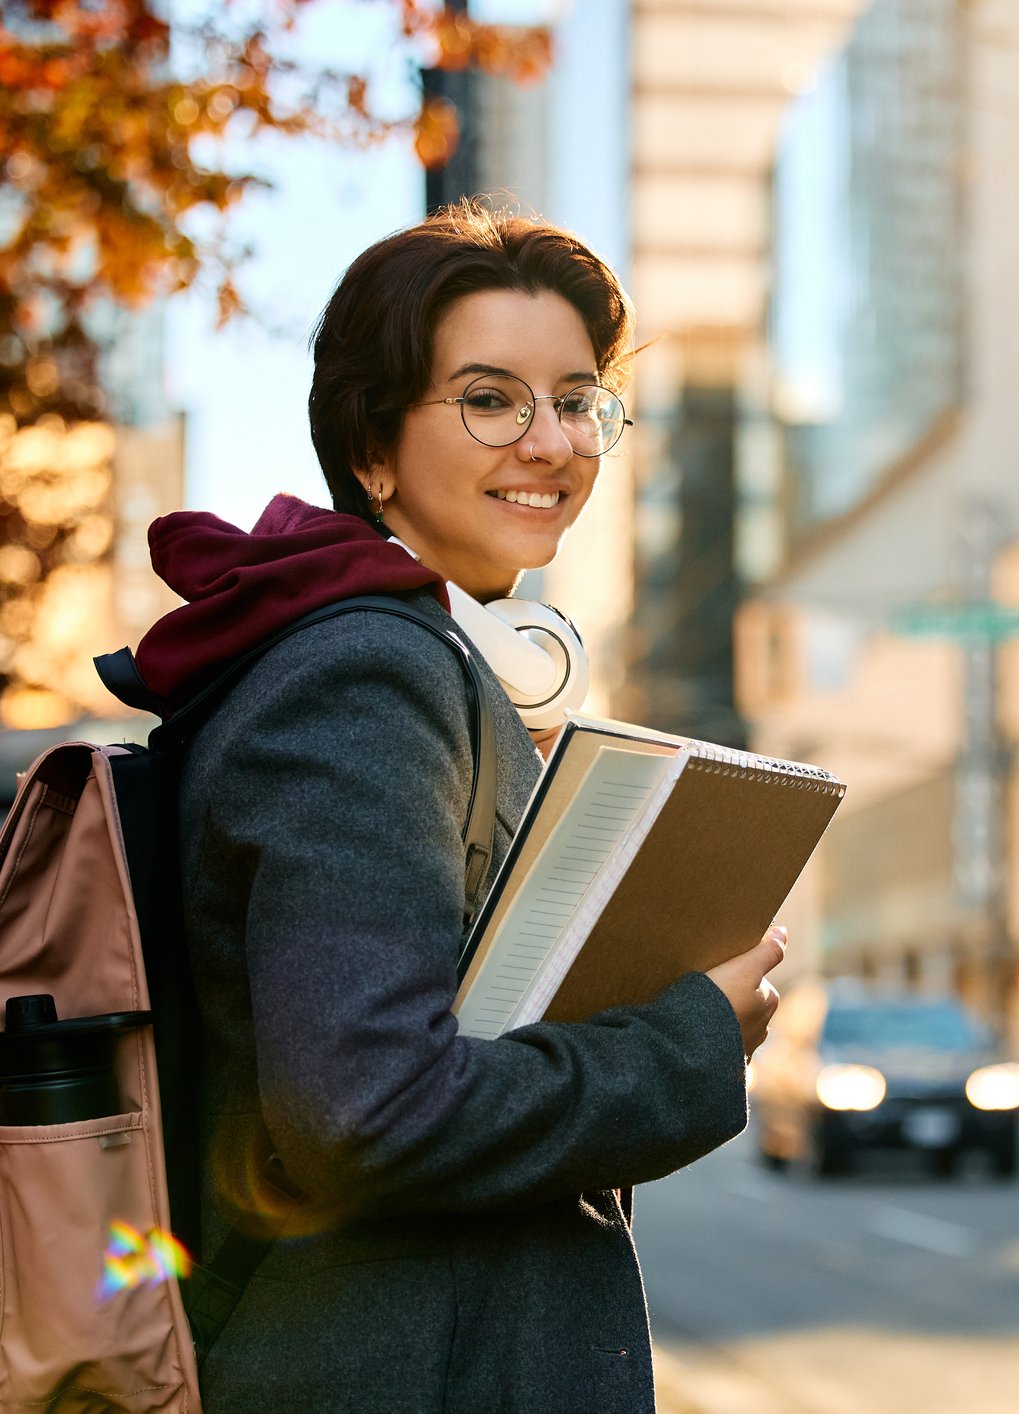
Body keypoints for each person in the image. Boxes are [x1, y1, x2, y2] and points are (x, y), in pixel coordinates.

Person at [130, 202, 785, 1412]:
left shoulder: (407, 651)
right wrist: (691, 1036)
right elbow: (369, 1109)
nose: (549, 441)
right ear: (373, 447)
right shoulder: (366, 676)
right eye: (488, 399)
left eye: (578, 400)